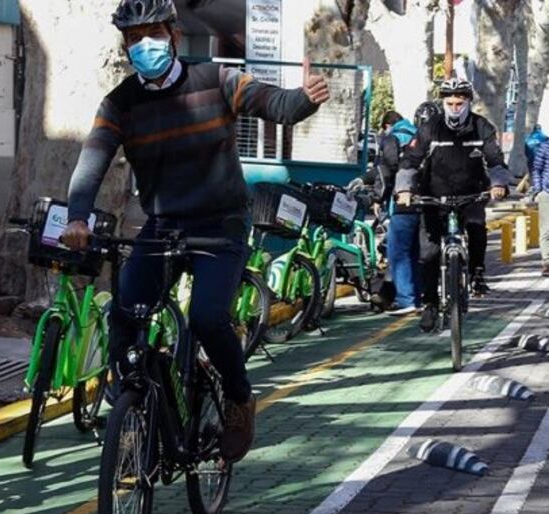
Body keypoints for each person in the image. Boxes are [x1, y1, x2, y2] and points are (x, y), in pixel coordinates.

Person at [60, 0, 329, 463]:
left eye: (154, 34)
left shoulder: (217, 79)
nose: (145, 44)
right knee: (124, 314)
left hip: (220, 224)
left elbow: (274, 103)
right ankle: (133, 409)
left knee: (207, 318)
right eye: (134, 37)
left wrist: (302, 98)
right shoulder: (120, 103)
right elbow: (92, 161)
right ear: (124, 45)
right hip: (163, 226)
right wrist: (77, 217)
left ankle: (239, 399)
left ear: (175, 36)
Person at [396, 79, 510, 332]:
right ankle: (430, 304)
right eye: (450, 103)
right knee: (429, 254)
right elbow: (409, 162)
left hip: (471, 194)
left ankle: (478, 273)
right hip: (433, 196)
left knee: (477, 227)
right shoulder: (430, 128)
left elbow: (496, 162)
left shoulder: (482, 127)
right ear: (443, 103)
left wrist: (499, 184)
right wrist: (404, 189)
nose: (455, 108)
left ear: (469, 102)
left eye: (460, 103)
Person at [377, 110, 420, 315]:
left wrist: (378, 197)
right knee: (416, 252)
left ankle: (406, 299)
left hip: (402, 201)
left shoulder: (392, 137)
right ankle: (418, 297)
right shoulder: (420, 134)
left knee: (398, 252)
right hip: (427, 201)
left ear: (386, 125)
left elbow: (387, 169)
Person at [528, 135, 549, 277]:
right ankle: (547, 262)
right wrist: (538, 189)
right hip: (547, 193)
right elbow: (536, 168)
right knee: (546, 230)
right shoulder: (545, 146)